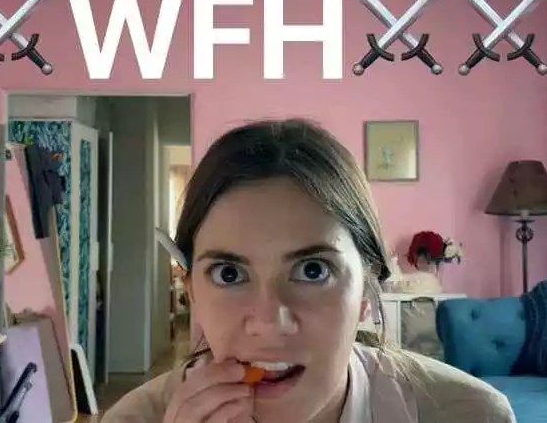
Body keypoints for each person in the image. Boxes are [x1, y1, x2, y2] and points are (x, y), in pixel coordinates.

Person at [102, 119, 514, 422]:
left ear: (367, 287)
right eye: (229, 274)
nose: (269, 322)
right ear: (192, 290)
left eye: (313, 270)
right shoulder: (135, 418)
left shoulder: (471, 414)